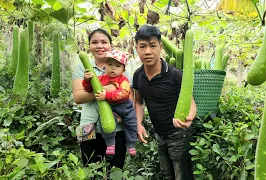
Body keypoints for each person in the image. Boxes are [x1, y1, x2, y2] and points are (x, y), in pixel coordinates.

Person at [133, 24, 197, 180]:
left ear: (160, 47)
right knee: (167, 174)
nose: (147, 51)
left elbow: (192, 103)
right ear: (136, 48)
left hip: (178, 135)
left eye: (152, 45)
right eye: (142, 46)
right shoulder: (137, 75)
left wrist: (189, 117)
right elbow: (139, 102)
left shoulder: (174, 75)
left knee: (181, 175)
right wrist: (139, 123)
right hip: (159, 135)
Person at [72, 28, 132, 169]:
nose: (99, 46)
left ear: (111, 45)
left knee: (115, 171)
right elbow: (78, 97)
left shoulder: (122, 70)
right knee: (91, 170)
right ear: (89, 46)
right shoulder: (83, 68)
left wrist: (126, 117)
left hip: (117, 128)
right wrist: (106, 90)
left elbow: (130, 99)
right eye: (95, 42)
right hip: (88, 128)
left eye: (104, 42)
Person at [82, 49, 137, 157]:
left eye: (117, 66)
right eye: (110, 64)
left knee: (132, 124)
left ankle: (131, 144)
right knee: (105, 123)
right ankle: (110, 144)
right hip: (111, 107)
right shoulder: (100, 78)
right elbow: (88, 89)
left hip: (125, 107)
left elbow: (124, 93)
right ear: (105, 66)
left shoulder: (123, 80)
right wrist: (87, 80)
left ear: (123, 69)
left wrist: (106, 95)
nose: (113, 68)